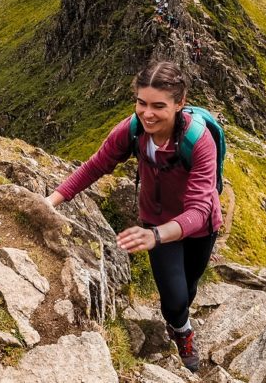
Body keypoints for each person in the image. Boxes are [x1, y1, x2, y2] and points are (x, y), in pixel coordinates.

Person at [46, 61, 222, 372]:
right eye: (141, 103)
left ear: (180, 103)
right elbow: (96, 165)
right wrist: (53, 200)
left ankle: (179, 319)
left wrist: (156, 235)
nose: (147, 113)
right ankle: (182, 330)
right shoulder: (132, 130)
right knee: (175, 297)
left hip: (198, 228)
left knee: (188, 288)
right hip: (157, 222)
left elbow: (200, 208)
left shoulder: (199, 141)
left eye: (158, 106)